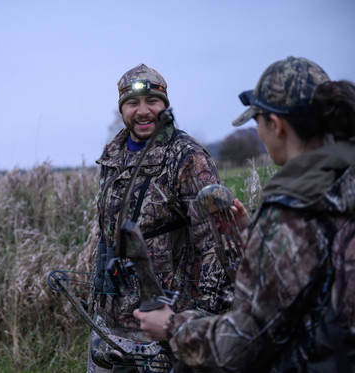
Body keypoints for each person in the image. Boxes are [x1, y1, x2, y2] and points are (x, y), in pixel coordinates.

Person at [134, 56, 355, 372]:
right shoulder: (341, 182)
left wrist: (171, 327)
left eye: (257, 123)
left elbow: (249, 343)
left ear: (276, 125)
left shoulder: (293, 208)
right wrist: (255, 235)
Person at [88, 64, 238, 372]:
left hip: (164, 325)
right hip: (110, 324)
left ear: (165, 106)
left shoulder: (187, 157)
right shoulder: (112, 155)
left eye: (152, 102)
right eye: (132, 103)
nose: (143, 111)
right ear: (122, 109)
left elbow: (217, 246)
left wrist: (196, 322)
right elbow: (106, 232)